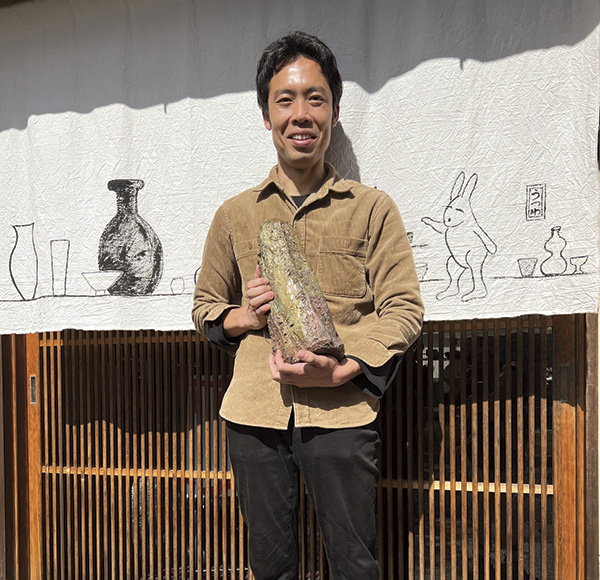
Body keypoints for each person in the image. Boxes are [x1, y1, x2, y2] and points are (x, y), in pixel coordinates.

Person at [192, 31, 424, 580]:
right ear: (266, 115)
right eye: (286, 99)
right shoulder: (234, 214)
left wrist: (345, 367)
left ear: (335, 111)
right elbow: (204, 306)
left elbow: (404, 308)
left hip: (342, 413)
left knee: (354, 563)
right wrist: (243, 318)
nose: (301, 113)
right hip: (253, 412)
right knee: (270, 566)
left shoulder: (372, 209)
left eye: (315, 98)